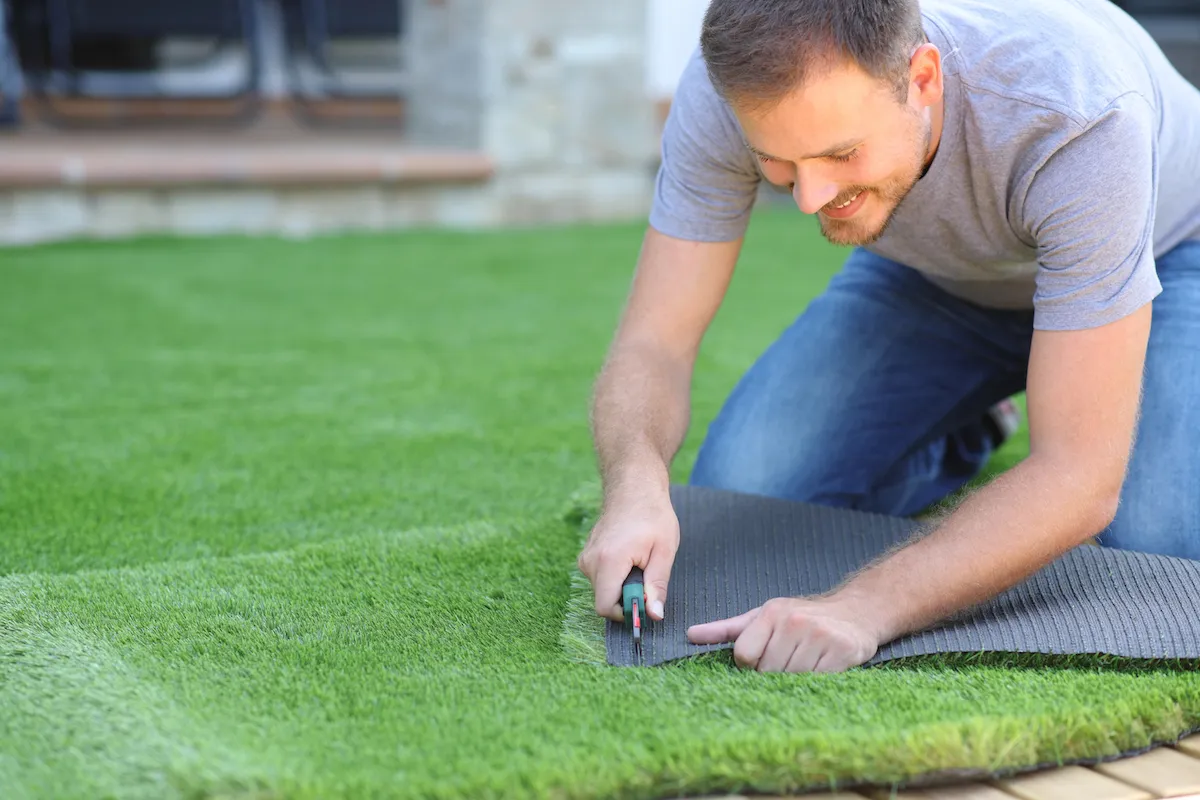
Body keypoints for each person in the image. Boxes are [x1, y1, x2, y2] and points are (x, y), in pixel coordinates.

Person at [577, 0, 1200, 674]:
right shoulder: (729, 89)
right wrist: (637, 484)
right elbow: (653, 342)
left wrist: (865, 607)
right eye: (778, 164)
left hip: (1170, 259)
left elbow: (1080, 476)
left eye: (840, 154)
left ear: (923, 79)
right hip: (939, 284)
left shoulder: (1078, 110)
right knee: (746, 491)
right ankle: (969, 425)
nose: (811, 198)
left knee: (1157, 544)